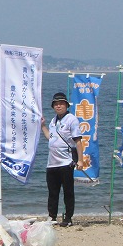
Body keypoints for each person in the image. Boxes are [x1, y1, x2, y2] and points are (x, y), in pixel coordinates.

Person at [41, 92, 84, 227]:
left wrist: (81, 161)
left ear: (66, 105)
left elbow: (77, 141)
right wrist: (43, 126)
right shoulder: (53, 121)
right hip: (52, 163)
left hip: (66, 162)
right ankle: (52, 217)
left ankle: (68, 218)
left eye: (61, 103)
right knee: (52, 193)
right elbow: (51, 138)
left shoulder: (71, 119)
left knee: (68, 192)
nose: (58, 106)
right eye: (56, 104)